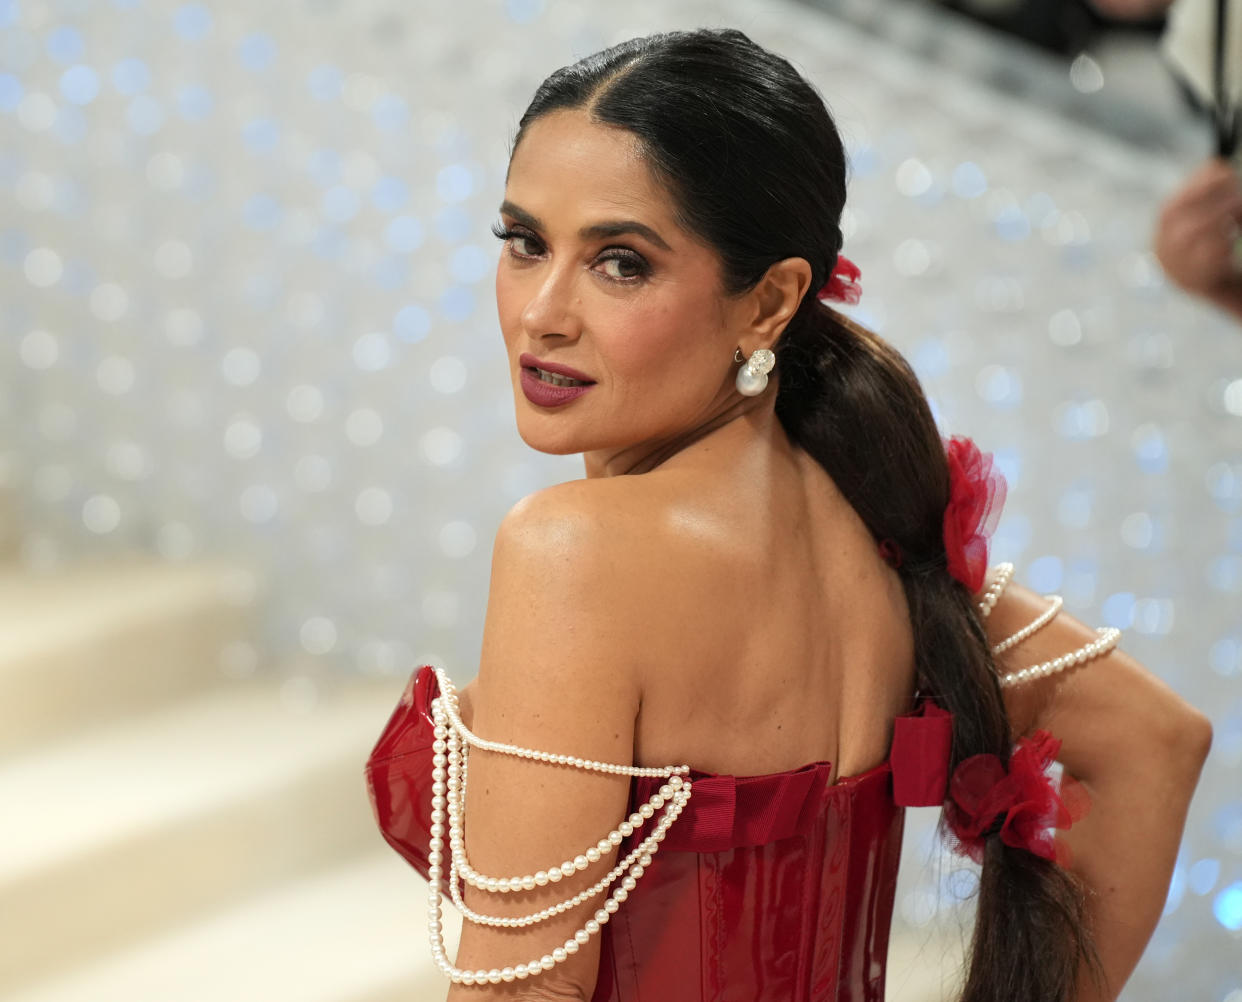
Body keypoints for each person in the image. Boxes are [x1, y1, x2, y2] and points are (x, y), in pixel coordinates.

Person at [364, 28, 1212, 1002]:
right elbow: (1155, 739)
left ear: (770, 302)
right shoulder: (875, 519)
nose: (543, 312)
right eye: (525, 243)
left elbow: (521, 993)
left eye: (621, 263)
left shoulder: (572, 552)